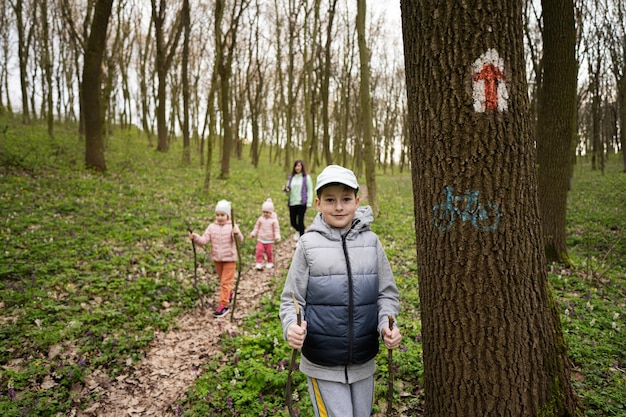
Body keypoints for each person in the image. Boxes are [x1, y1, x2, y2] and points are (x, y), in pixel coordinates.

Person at [279, 165, 402, 417]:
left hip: (363, 360)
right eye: (330, 200)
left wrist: (385, 325)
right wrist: (291, 325)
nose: (338, 207)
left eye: (346, 199)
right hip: (321, 361)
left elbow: (386, 294)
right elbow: (291, 299)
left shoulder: (372, 243)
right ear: (317, 203)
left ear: (357, 201)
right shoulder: (307, 245)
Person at [189, 199, 244, 317]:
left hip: (229, 259)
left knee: (225, 282)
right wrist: (195, 237)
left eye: (222, 215)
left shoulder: (232, 226)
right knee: (223, 281)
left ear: (228, 215)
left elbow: (240, 240)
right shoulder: (211, 227)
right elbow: (204, 241)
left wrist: (237, 233)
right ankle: (229, 293)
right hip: (217, 259)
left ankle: (224, 305)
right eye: (218, 215)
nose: (220, 217)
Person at [283, 160, 313, 241]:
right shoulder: (291, 177)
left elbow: (310, 190)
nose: (297, 168)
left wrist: (309, 202)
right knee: (293, 222)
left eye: (299, 166)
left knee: (300, 221)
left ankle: (301, 239)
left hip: (301, 202)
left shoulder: (306, 177)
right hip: (292, 202)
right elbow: (288, 189)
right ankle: (299, 230)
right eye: (296, 166)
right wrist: (285, 190)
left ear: (302, 167)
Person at [249, 198, 281, 270]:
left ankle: (270, 262)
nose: (265, 214)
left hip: (269, 240)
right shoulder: (260, 219)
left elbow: (276, 230)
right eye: (264, 212)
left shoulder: (274, 221)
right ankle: (258, 263)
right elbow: (256, 227)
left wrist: (277, 236)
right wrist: (253, 233)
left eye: (267, 212)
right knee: (259, 251)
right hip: (261, 239)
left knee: (269, 252)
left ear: (271, 212)